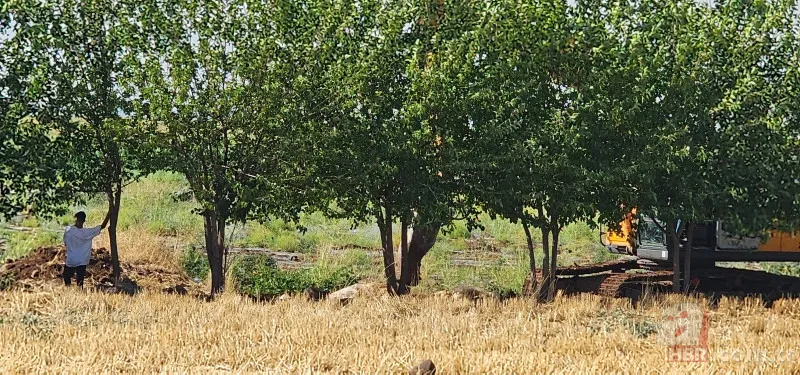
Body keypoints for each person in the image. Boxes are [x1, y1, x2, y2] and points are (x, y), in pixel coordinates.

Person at [63, 211, 109, 287]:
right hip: (82, 260)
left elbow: (65, 243)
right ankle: (79, 292)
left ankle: (68, 290)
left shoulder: (69, 230)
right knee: (80, 279)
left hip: (71, 259)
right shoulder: (88, 232)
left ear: (76, 219)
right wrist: (109, 213)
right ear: (84, 220)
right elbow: (102, 226)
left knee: (66, 276)